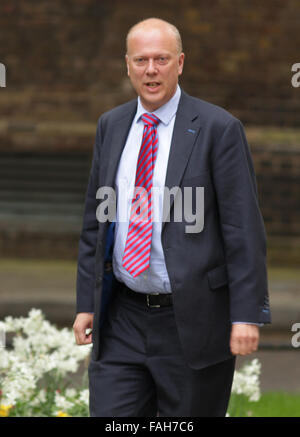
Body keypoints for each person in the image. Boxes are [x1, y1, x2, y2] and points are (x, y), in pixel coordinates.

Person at [73, 17, 271, 417]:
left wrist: (247, 315)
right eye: (141, 60)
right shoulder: (110, 126)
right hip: (122, 320)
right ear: (127, 65)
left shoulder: (219, 129)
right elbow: (97, 222)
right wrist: (86, 304)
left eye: (161, 59)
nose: (151, 70)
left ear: (180, 63)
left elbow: (242, 229)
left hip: (193, 321)